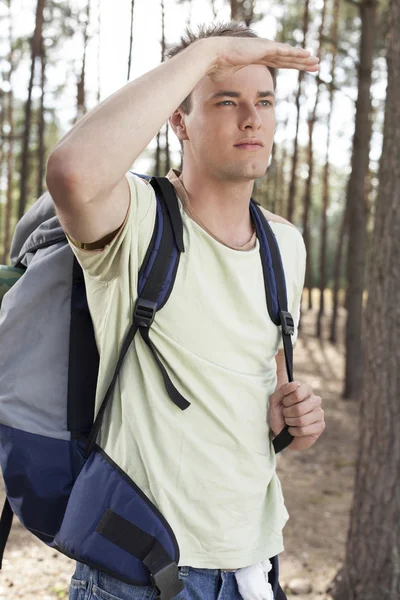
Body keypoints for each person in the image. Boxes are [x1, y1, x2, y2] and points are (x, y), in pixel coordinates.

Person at [46, 21, 325, 600]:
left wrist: (293, 422)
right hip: (137, 570)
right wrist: (207, 54)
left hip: (253, 568)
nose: (252, 119)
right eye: (226, 101)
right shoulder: (137, 218)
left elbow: (265, 392)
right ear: (179, 120)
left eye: (264, 101)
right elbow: (72, 171)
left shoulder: (285, 244)